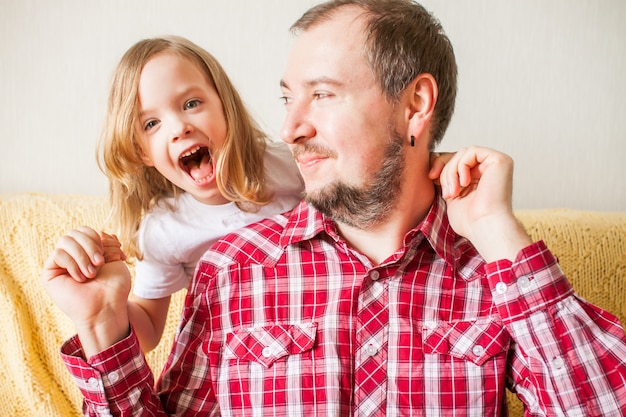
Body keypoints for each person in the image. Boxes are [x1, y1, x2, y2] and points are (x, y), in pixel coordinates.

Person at [42, 1, 626, 415]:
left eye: (321, 94)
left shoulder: (495, 274)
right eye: (287, 99)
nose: (290, 129)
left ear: (415, 104)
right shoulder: (228, 270)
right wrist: (99, 323)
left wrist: (499, 233)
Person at [63, 35, 305, 352]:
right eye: (151, 123)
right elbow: (148, 331)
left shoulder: (289, 166)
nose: (179, 127)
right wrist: (108, 303)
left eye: (192, 104)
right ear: (142, 153)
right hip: (234, 363)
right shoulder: (165, 229)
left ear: (225, 106)